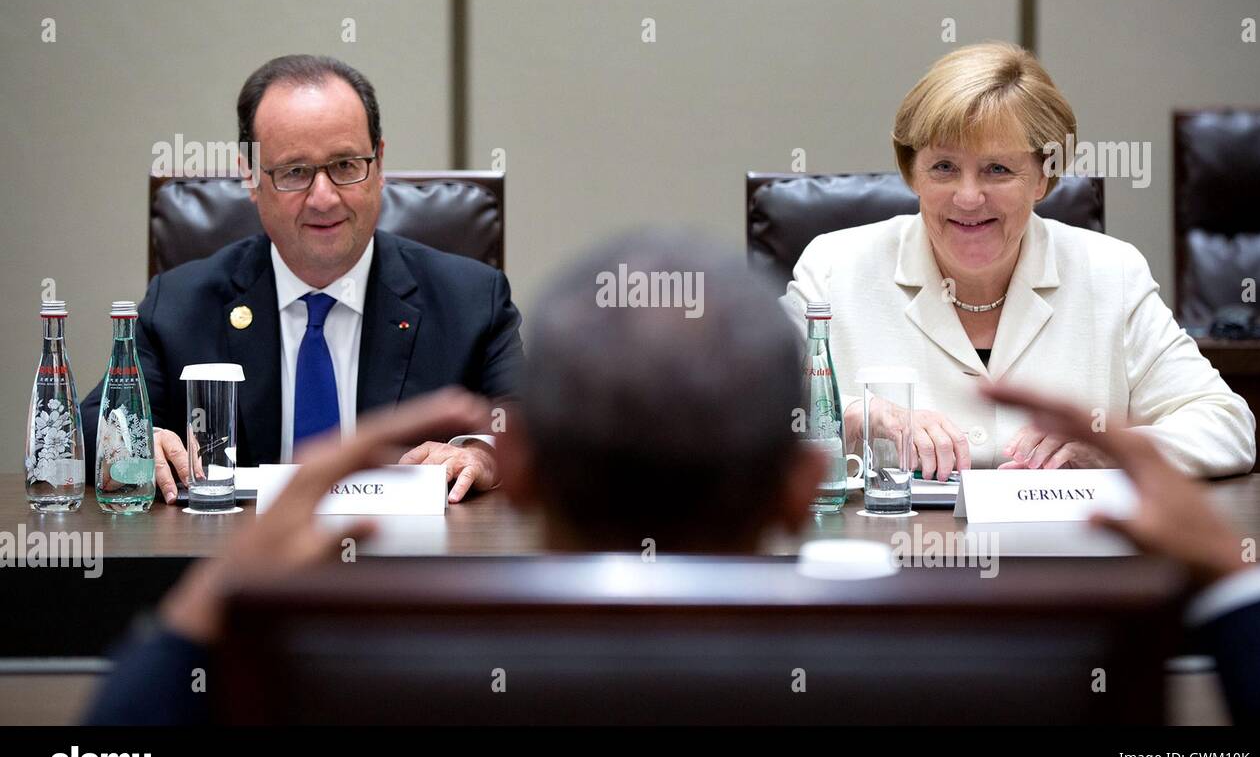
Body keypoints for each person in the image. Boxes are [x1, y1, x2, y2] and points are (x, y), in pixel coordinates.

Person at [83, 232, 824, 724]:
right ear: (805, 487)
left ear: (523, 472)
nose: (321, 197)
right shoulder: (894, 689)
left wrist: (207, 602)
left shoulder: (405, 695)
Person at [784, 42, 1255, 481]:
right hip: (889, 553)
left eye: (998, 169)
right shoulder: (833, 268)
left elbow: (1226, 425)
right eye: (944, 167)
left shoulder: (1111, 274)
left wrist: (1111, 448)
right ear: (913, 173)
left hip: (1065, 559)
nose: (968, 197)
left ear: (1042, 180)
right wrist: (851, 417)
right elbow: (749, 417)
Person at [81, 55, 522, 504]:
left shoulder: (471, 300)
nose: (324, 197)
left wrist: (482, 452)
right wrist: (132, 442)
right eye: (295, 172)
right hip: (240, 560)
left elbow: (531, 427)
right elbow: (92, 426)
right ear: (251, 178)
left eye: (347, 165)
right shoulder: (178, 306)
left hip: (407, 563)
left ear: (380, 163)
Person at [982, 382, 1260, 724]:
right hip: (947, 569)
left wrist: (1114, 451)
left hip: (1106, 588)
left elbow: (1229, 426)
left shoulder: (1126, 324)